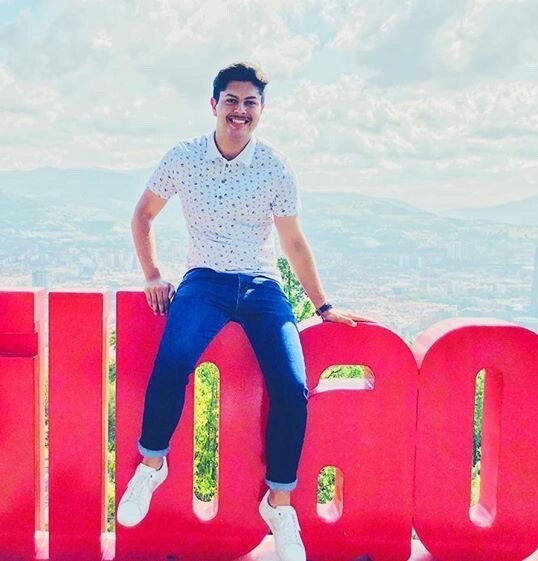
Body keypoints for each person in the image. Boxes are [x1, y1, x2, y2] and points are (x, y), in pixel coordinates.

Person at [117, 62, 365, 561]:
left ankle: (279, 504)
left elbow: (293, 241)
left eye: (250, 103)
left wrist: (324, 305)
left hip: (261, 285)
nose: (240, 111)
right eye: (231, 100)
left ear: (261, 111)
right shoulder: (183, 158)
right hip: (204, 279)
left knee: (293, 388)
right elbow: (143, 216)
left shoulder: (275, 167)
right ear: (214, 105)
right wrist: (152, 275)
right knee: (171, 364)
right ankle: (152, 465)